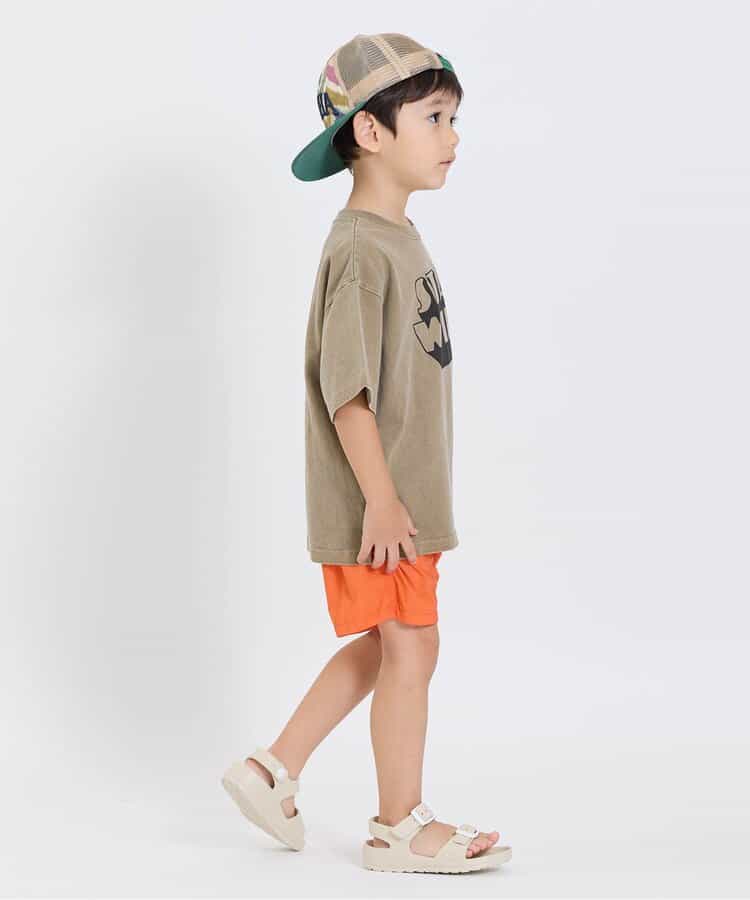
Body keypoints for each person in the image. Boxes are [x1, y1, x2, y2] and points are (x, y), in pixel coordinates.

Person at [221, 32, 511, 875]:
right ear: (371, 132)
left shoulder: (396, 238)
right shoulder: (359, 249)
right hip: (381, 504)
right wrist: (381, 500)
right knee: (412, 646)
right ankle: (397, 827)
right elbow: (344, 391)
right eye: (435, 118)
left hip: (400, 499)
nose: (454, 136)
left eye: (454, 118)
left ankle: (272, 769)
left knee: (398, 646)